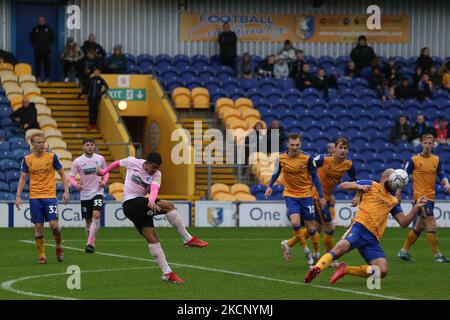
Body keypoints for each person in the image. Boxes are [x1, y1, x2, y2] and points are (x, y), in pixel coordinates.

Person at [96, 152, 209, 283]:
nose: (155, 170)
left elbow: (154, 188)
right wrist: (104, 171)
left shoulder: (157, 174)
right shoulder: (132, 162)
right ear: (147, 163)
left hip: (142, 205)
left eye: (158, 168)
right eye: (154, 167)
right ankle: (188, 239)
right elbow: (117, 163)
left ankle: (167, 273)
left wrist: (151, 200)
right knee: (169, 206)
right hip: (130, 204)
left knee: (153, 238)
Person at [304, 169, 428, 284]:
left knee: (382, 271)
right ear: (385, 178)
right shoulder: (371, 185)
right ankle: (316, 269)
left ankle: (346, 270)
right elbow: (343, 185)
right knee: (340, 248)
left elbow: (404, 223)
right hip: (359, 227)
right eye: (392, 181)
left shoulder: (393, 201)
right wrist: (359, 187)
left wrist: (416, 207)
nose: (395, 186)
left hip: (372, 239)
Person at [281, 138, 356, 264]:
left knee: (317, 228)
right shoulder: (323, 159)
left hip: (324, 197)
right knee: (330, 228)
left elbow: (354, 180)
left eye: (345, 148)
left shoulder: (348, 164)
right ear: (335, 149)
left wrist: (357, 195)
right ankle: (330, 259)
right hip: (315, 197)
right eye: (340, 148)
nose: (343, 150)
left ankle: (288, 244)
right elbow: (308, 165)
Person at [264, 133, 327, 267]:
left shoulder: (307, 158)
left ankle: (317, 253)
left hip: (306, 196)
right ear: (287, 145)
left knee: (311, 228)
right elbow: (276, 172)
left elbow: (315, 177)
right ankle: (306, 251)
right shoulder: (281, 157)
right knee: (295, 223)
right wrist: (270, 186)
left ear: (300, 144)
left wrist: (321, 196)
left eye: (297, 145)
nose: (295, 147)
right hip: (290, 195)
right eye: (292, 145)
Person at [15, 133, 69, 264]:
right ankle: (42, 255)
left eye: (43, 142)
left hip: (50, 196)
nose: (42, 144)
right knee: (38, 226)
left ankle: (58, 247)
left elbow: (62, 174)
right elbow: (23, 178)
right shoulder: (27, 159)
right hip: (35, 197)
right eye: (39, 142)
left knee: (54, 225)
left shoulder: (52, 157)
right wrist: (18, 196)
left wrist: (66, 191)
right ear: (32, 145)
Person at [397, 134, 450, 263]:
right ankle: (437, 255)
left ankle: (403, 251)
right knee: (431, 222)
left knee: (419, 226)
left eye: (430, 143)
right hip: (420, 198)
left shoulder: (436, 160)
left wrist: (447, 183)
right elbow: (404, 177)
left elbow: (441, 175)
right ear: (422, 144)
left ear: (433, 145)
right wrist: (398, 193)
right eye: (425, 143)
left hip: (431, 197)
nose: (427, 145)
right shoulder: (414, 160)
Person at [69, 138, 109, 253]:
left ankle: (89, 243)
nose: (90, 147)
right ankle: (91, 241)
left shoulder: (100, 158)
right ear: (83, 147)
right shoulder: (78, 161)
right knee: (88, 220)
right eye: (87, 145)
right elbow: (71, 176)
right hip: (85, 194)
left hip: (98, 192)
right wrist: (76, 185)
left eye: (92, 144)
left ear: (94, 146)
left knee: (96, 215)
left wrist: (104, 182)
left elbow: (106, 172)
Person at [29, 16, 55, 82]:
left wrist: (49, 46)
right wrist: (35, 46)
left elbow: (52, 38)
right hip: (37, 50)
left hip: (46, 50)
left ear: (44, 21)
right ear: (38, 21)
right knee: (38, 64)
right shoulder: (35, 29)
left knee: (47, 64)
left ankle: (47, 78)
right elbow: (31, 38)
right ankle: (37, 78)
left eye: (42, 20)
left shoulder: (48, 28)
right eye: (40, 20)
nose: (41, 21)